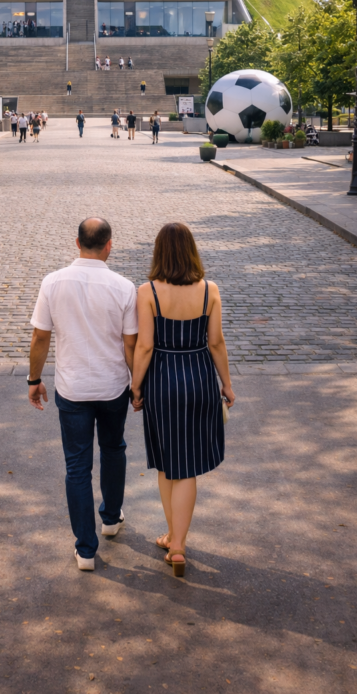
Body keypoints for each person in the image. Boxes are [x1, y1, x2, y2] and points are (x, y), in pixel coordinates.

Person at [28, 218, 138, 570]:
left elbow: (40, 337)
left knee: (77, 466)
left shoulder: (53, 282)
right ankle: (110, 517)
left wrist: (34, 379)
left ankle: (85, 549)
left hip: (72, 387)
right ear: (109, 245)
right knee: (113, 448)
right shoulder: (123, 287)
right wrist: (138, 384)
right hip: (112, 386)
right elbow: (130, 343)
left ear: (77, 243)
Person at [131, 224, 234, 577]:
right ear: (192, 251)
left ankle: (174, 539)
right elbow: (216, 342)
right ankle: (177, 543)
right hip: (200, 377)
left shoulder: (147, 291)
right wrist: (227, 384)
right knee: (187, 464)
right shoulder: (210, 290)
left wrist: (136, 385)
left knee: (165, 461)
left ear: (159, 252)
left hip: (162, 378)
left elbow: (144, 346)